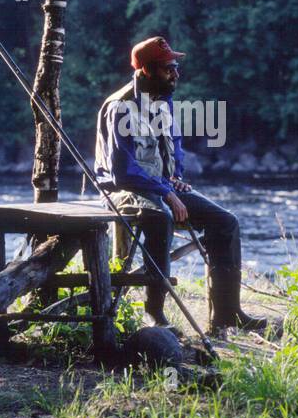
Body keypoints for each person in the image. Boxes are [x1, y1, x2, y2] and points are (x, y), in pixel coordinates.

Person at [95, 35, 267, 334]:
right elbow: (123, 171)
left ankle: (227, 315)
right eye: (168, 69)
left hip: (162, 186)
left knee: (226, 222)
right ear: (146, 70)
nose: (175, 74)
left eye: (176, 68)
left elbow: (174, 146)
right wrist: (166, 193)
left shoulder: (164, 98)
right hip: (122, 191)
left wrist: (175, 179)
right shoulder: (120, 107)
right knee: (160, 217)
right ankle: (155, 313)